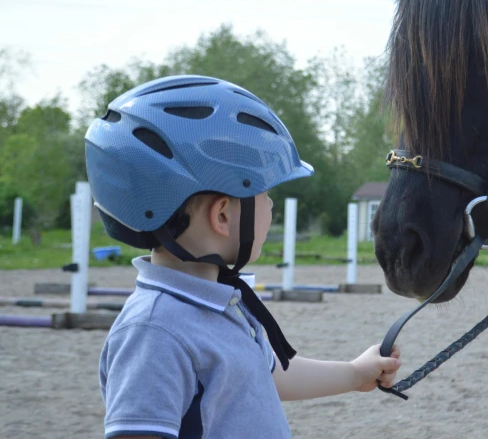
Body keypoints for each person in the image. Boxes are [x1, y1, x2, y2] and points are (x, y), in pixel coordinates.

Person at [85, 75, 402, 439]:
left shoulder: (219, 301)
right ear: (222, 216)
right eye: (265, 194)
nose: (271, 206)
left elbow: (266, 376)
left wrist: (354, 373)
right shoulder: (154, 332)